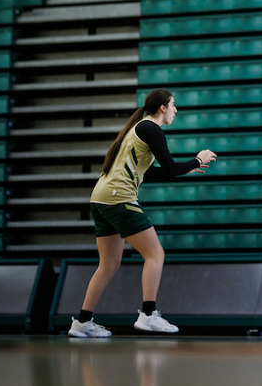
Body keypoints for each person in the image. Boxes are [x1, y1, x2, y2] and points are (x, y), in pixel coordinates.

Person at [68, 89, 217, 337]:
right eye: (173, 105)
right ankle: (148, 315)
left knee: (108, 264)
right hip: (119, 198)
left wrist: (185, 168)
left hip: (100, 198)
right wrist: (197, 160)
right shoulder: (151, 129)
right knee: (155, 254)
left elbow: (147, 173)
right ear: (162, 108)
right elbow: (169, 167)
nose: (175, 110)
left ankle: (82, 322)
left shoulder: (138, 129)